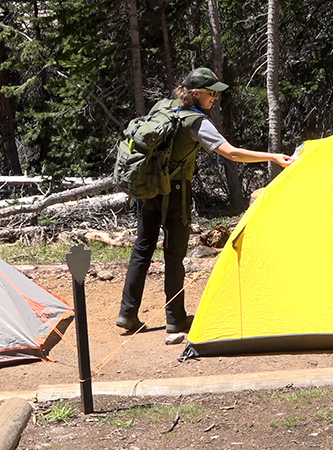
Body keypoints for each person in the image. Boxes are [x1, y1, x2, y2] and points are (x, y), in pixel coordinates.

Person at [116, 67, 294, 334]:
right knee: (174, 255)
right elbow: (231, 153)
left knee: (142, 248)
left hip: (149, 187)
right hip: (174, 191)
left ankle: (127, 314)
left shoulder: (163, 106)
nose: (215, 99)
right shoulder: (196, 122)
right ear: (196, 93)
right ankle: (175, 318)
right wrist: (272, 157)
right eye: (211, 94)